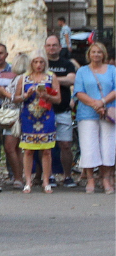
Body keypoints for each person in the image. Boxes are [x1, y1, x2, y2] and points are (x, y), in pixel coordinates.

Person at [13, 52, 60, 194]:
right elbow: (15, 98)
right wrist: (25, 95)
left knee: (46, 150)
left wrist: (46, 95)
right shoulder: (24, 78)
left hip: (46, 116)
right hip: (29, 117)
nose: (38, 65)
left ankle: (46, 180)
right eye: (35, 62)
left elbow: (58, 98)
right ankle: (28, 181)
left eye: (41, 62)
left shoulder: (51, 77)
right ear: (31, 63)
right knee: (28, 150)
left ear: (45, 63)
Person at [74, 42, 116, 194]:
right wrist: (94, 104)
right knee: (89, 146)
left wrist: (102, 102)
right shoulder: (82, 71)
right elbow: (79, 92)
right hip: (87, 113)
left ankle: (105, 177)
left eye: (99, 52)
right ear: (89, 54)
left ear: (103, 54)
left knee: (108, 145)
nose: (96, 54)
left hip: (108, 112)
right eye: (93, 52)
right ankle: (90, 178)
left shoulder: (112, 70)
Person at [44, 35, 79, 187]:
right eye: (49, 45)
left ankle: (67, 176)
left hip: (63, 110)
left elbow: (72, 79)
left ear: (60, 47)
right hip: (44, 112)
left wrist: (51, 79)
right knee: (46, 146)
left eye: (54, 45)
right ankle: (48, 176)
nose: (51, 48)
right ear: (45, 47)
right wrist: (61, 79)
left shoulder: (67, 64)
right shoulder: (41, 63)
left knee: (65, 144)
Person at [0, 43, 22, 186]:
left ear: (6, 54)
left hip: (11, 110)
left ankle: (16, 176)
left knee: (12, 145)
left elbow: (17, 90)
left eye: (1, 53)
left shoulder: (14, 71)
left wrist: (3, 92)